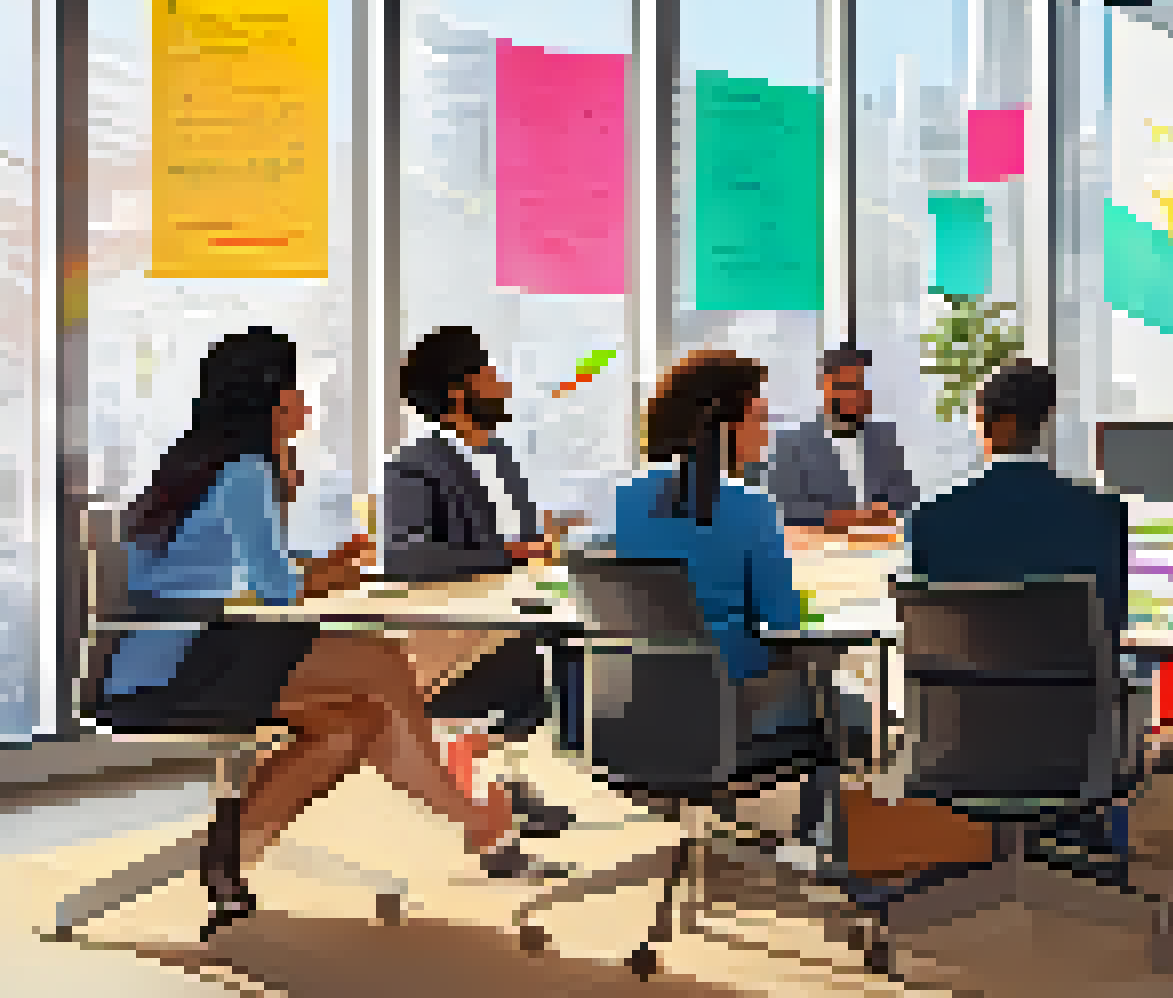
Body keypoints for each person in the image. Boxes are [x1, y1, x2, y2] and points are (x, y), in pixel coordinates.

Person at [102, 329, 516, 941]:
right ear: (271, 399)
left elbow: (255, 574)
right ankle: (469, 816)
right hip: (178, 663)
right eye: (294, 386)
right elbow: (276, 588)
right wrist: (330, 568)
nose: (304, 400)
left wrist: (327, 565)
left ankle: (232, 851)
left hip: (167, 653)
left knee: (354, 724)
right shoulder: (247, 470)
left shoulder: (200, 464)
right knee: (376, 662)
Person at [908, 359, 1132, 875]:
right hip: (1072, 743)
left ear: (992, 422)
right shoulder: (1100, 514)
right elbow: (1110, 631)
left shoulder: (933, 518)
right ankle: (1077, 826)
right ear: (1044, 420)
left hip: (958, 740)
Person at [384, 326, 577, 867]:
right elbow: (407, 558)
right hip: (453, 631)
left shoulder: (504, 459)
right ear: (458, 391)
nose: (502, 384)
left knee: (565, 660)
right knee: (522, 673)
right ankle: (490, 814)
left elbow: (520, 544)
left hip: (519, 615)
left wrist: (543, 550)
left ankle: (503, 791)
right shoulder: (413, 465)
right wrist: (513, 554)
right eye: (489, 374)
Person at [615, 350, 817, 736]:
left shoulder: (621, 500)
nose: (767, 432)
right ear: (723, 426)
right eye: (759, 418)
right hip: (735, 704)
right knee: (864, 717)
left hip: (635, 705)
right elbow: (787, 625)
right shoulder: (751, 507)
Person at [762, 345, 919, 535]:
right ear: (827, 388)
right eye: (847, 385)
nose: (856, 394)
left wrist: (883, 511)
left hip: (884, 546)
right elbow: (786, 508)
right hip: (821, 551)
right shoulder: (792, 445)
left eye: (860, 385)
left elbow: (907, 493)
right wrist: (849, 519)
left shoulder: (884, 438)